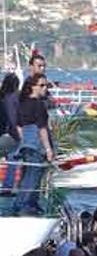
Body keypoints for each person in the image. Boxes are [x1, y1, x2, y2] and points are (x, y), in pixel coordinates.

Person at [10, 74, 53, 216]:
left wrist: (23, 141)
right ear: (33, 87)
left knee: (26, 174)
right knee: (33, 176)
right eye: (42, 85)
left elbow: (18, 125)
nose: (45, 88)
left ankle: (23, 204)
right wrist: (48, 149)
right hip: (36, 143)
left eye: (46, 85)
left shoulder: (23, 103)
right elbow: (42, 128)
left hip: (26, 144)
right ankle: (25, 205)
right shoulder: (38, 104)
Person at [0, 73, 20, 184]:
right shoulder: (11, 98)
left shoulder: (2, 97)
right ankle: (8, 185)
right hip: (8, 135)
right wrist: (19, 136)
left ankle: (8, 185)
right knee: (13, 158)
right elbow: (12, 119)